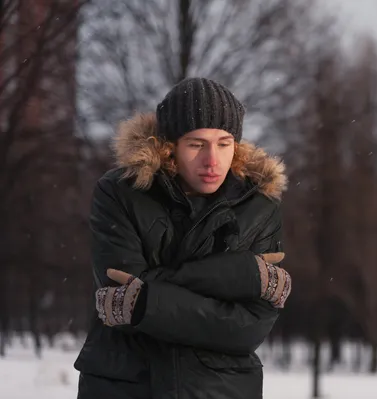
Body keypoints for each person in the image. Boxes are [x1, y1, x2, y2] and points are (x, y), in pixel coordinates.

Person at [74, 77, 292, 399]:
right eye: (195, 144)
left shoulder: (260, 206)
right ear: (170, 144)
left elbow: (248, 327)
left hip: (221, 390)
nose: (212, 160)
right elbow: (119, 295)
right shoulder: (121, 193)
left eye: (224, 143)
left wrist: (147, 300)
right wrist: (244, 274)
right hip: (126, 386)